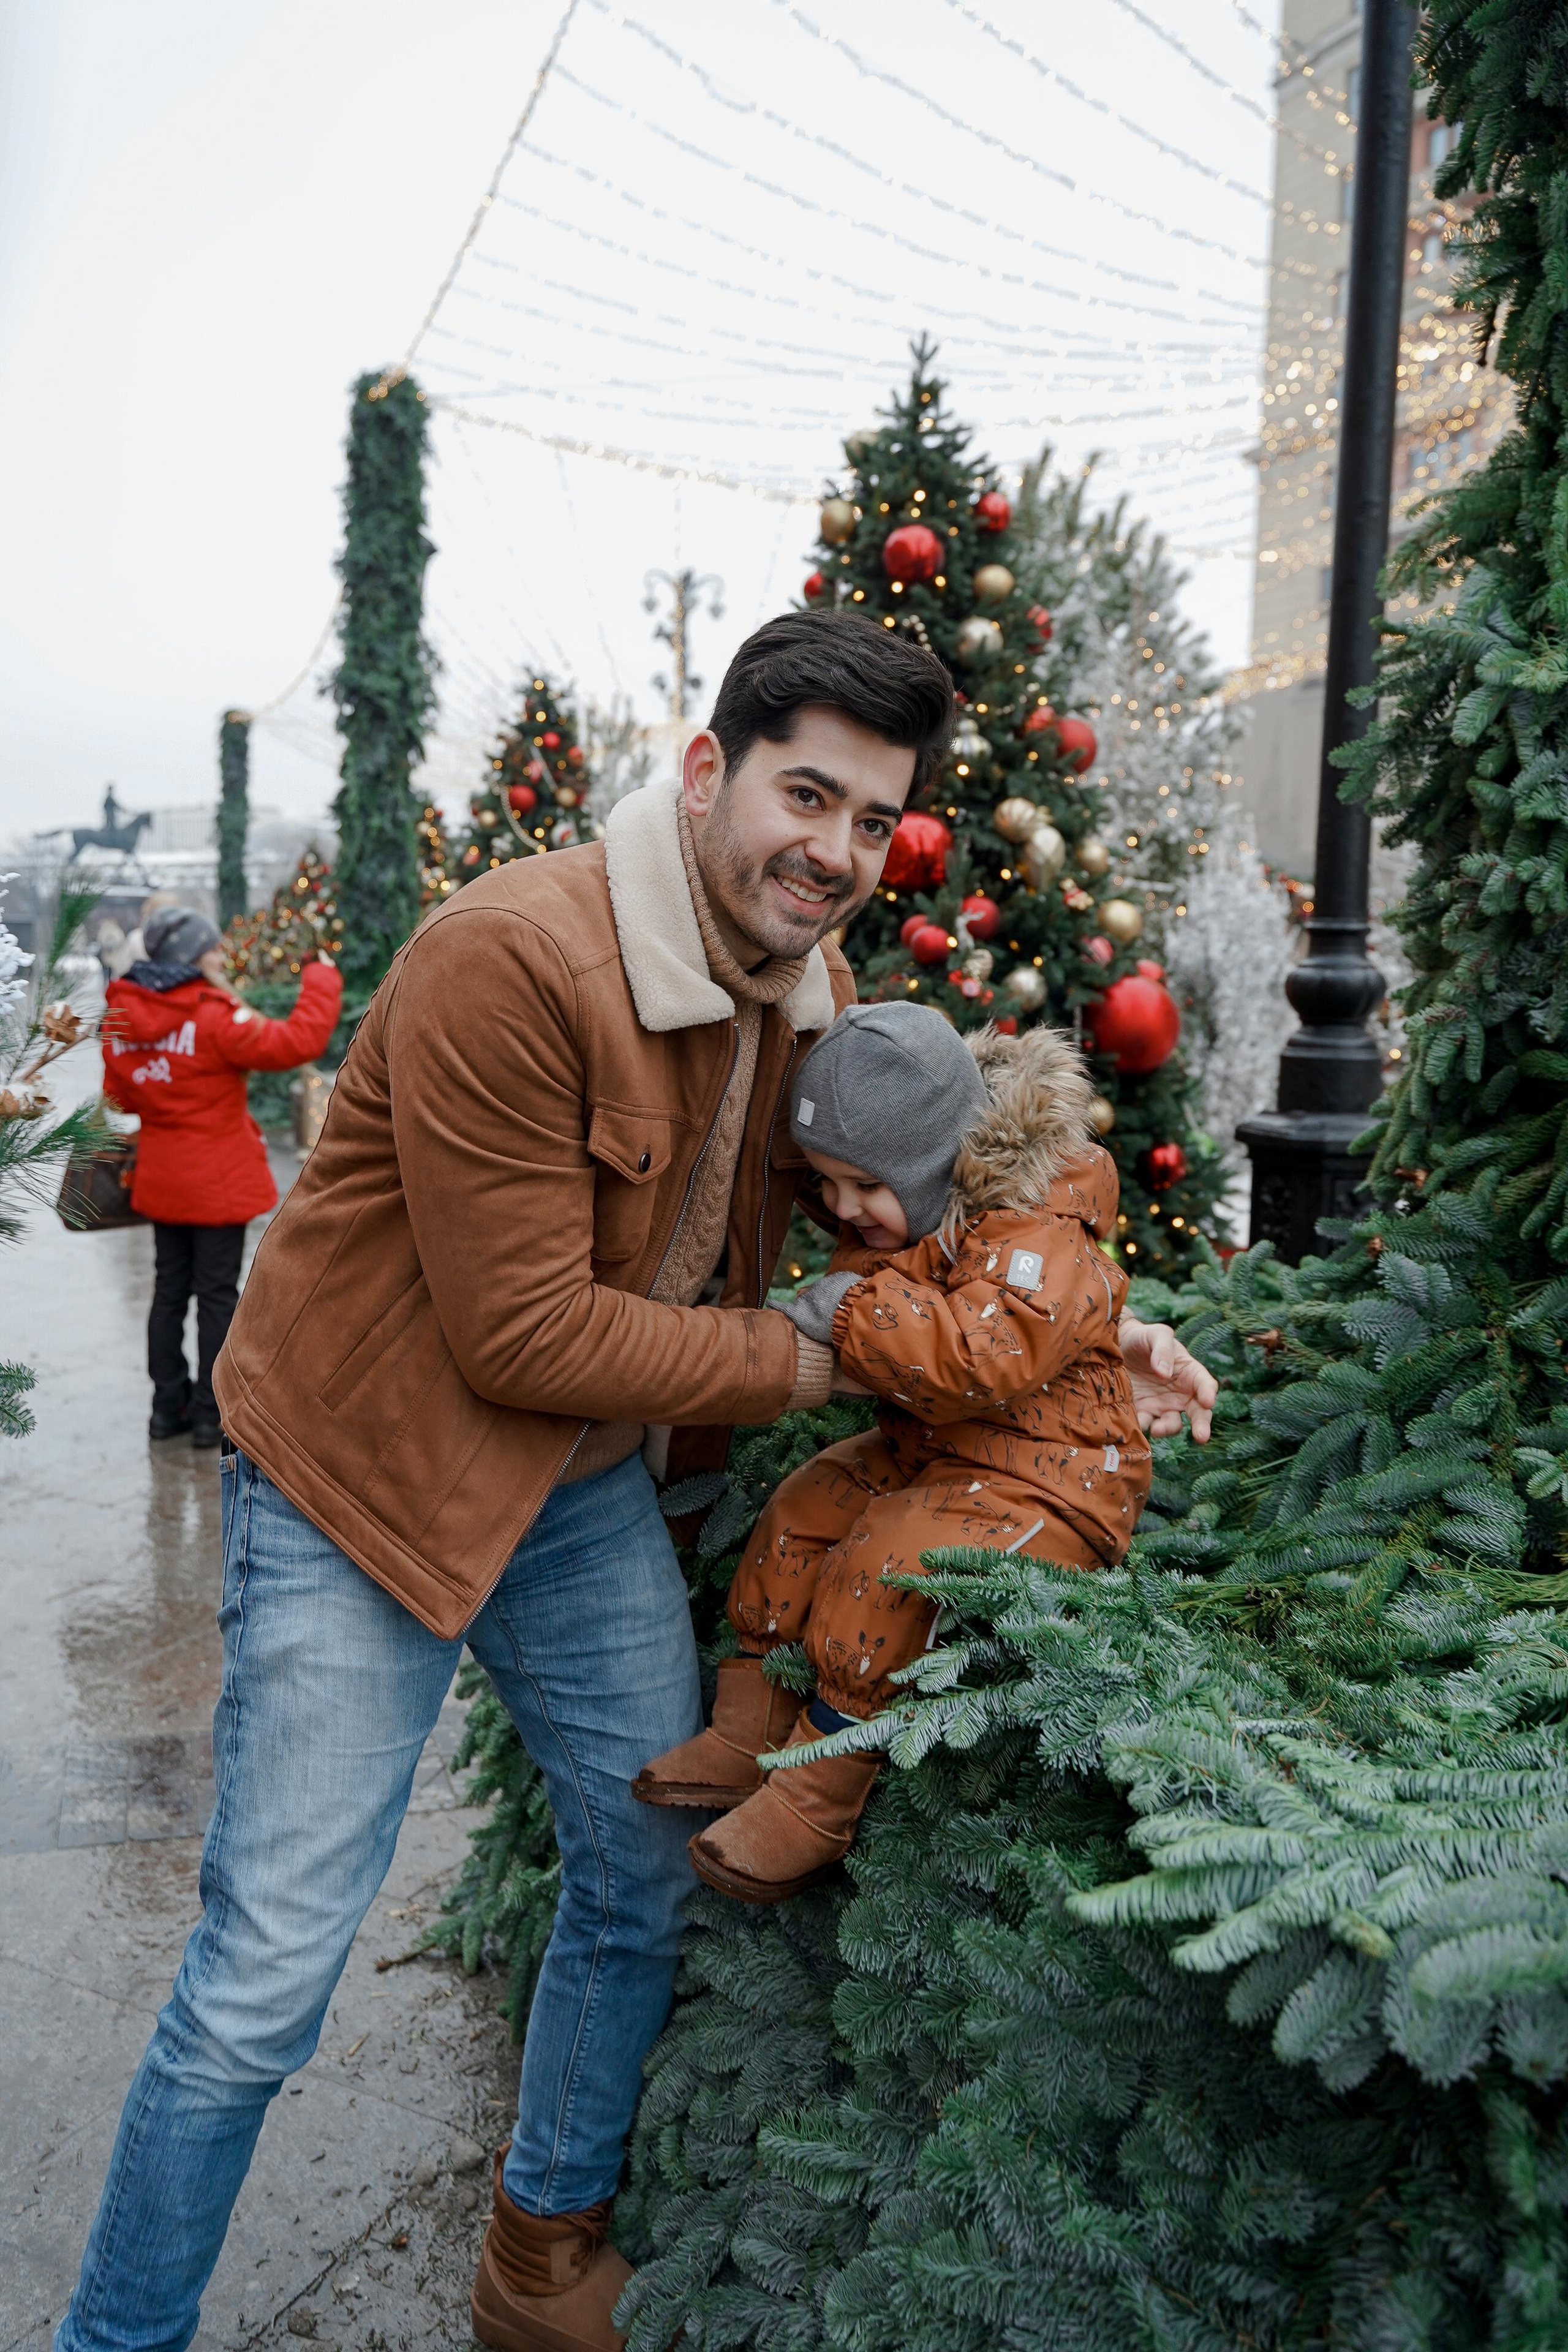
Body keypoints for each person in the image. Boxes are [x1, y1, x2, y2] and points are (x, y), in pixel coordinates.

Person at [56, 613, 1215, 2352]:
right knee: (264, 1984)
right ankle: (116, 2339)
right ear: (707, 771)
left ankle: (537, 2259)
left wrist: (1091, 1333)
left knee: (645, 1862)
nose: (830, 849)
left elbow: (939, 1216)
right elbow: (526, 1338)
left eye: (867, 819)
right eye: (801, 792)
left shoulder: (804, 988)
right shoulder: (512, 960)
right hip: (368, 1483)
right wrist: (847, 1352)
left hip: (576, 1490)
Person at [635, 1003, 1154, 1901]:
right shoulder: (919, 1207)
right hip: (937, 1451)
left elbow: (980, 1357)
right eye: (828, 1183)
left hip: (1054, 1479)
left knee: (889, 1559)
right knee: (805, 1506)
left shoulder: (1039, 1230)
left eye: (864, 1185)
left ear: (931, 1159)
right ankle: (746, 1722)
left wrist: (846, 1307)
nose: (841, 1208)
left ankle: (817, 1791)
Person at [101, 905, 342, 1447]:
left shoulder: (122, 1018)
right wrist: (321, 976)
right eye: (210, 947)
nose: (219, 955)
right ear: (190, 955)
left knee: (168, 1293)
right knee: (216, 1296)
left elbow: (117, 1094)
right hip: (215, 1183)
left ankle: (167, 1409)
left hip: (162, 1180)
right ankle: (212, 1417)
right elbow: (296, 1043)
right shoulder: (211, 1014)